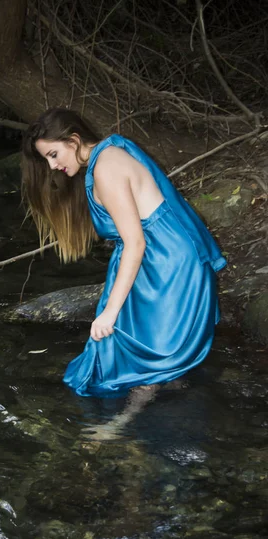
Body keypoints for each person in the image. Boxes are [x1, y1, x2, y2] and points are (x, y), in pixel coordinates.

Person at [21, 108, 226, 399]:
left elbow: (135, 243)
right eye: (47, 159)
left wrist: (109, 313)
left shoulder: (107, 168)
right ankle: (163, 399)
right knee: (142, 354)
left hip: (168, 262)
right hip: (164, 255)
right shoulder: (109, 152)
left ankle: (123, 424)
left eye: (53, 154)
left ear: (73, 140)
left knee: (135, 356)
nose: (52, 165)